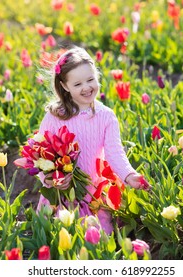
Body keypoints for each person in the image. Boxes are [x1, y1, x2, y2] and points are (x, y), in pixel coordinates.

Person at [36, 46, 150, 234]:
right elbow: (41, 156)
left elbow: (115, 154)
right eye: (78, 84)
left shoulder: (106, 116)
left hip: (94, 196)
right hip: (62, 194)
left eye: (90, 80)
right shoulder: (55, 117)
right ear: (65, 86)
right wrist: (52, 179)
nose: (86, 88)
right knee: (61, 237)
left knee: (99, 237)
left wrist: (129, 176)